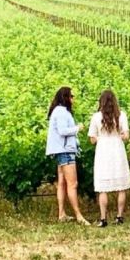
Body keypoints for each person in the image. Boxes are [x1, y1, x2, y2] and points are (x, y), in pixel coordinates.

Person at [46, 86, 90, 226]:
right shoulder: (62, 112)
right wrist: (78, 128)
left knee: (62, 183)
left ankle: (61, 213)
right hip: (65, 151)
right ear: (66, 98)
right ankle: (79, 215)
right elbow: (63, 130)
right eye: (71, 96)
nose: (73, 99)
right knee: (73, 184)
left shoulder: (57, 111)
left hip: (61, 150)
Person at [88, 90, 130, 227]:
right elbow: (126, 136)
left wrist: (100, 138)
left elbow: (92, 139)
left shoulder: (96, 117)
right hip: (117, 149)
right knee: (121, 186)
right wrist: (120, 135)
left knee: (103, 188)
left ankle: (103, 218)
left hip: (103, 150)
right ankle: (119, 216)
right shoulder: (121, 115)